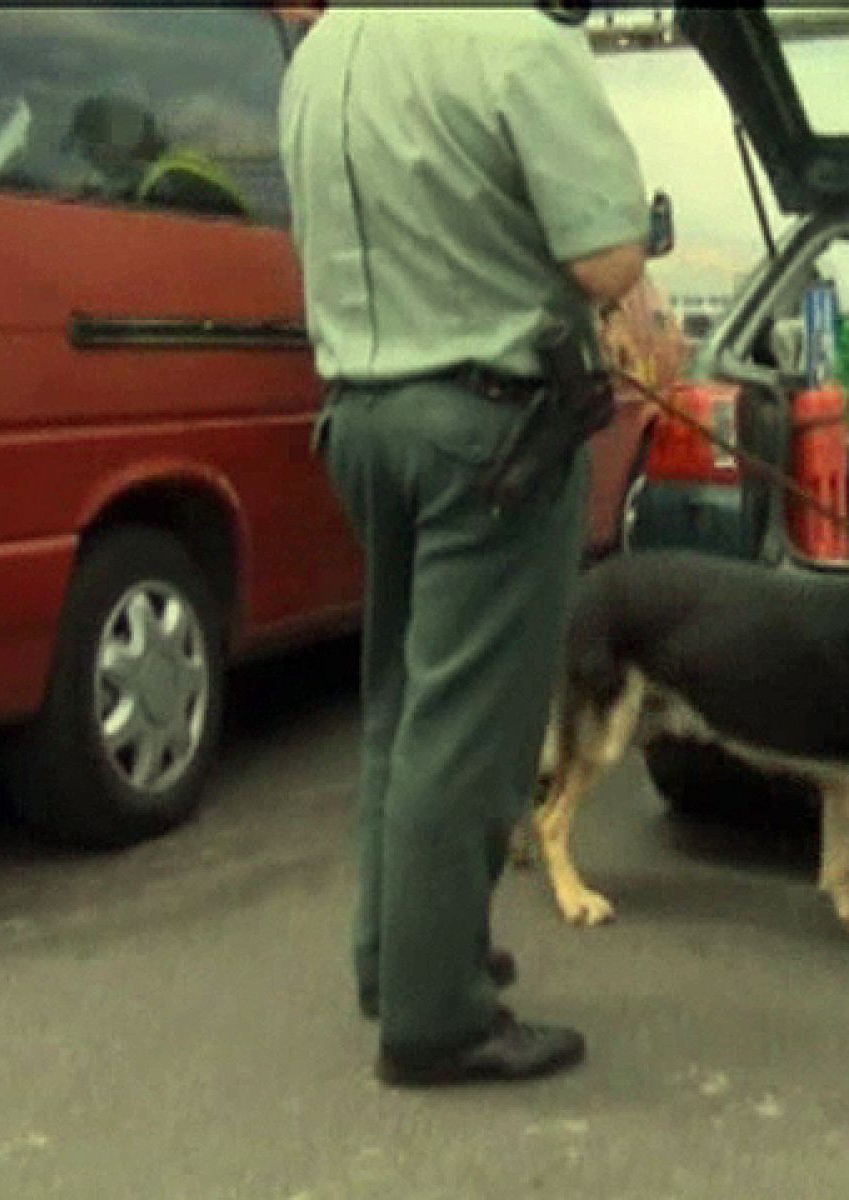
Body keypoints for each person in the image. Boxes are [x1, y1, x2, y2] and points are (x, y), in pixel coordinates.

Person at [280, 4, 648, 1086]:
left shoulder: (326, 50)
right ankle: (437, 1017)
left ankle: (395, 958)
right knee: (473, 729)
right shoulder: (517, 44)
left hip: (360, 418)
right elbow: (606, 257)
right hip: (490, 434)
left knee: (403, 701)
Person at [63, 95, 248, 219]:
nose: (90, 159)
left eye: (89, 148)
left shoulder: (174, 187)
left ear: (116, 141)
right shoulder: (170, 170)